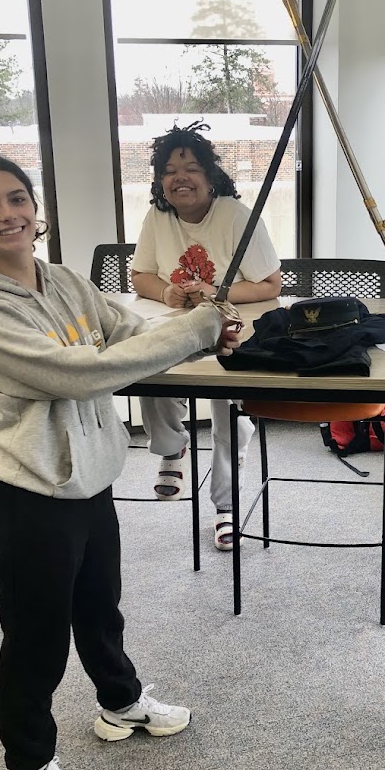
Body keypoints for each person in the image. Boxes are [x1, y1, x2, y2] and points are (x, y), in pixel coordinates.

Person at [0, 153, 241, 770]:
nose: (7, 214)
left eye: (16, 198)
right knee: (36, 637)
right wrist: (194, 330)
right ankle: (25, 764)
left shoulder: (62, 280)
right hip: (31, 494)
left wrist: (193, 324)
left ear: (34, 207)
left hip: (90, 479)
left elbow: (125, 330)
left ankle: (119, 702)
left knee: (99, 605)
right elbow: (85, 371)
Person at [129, 121, 282, 551]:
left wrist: (216, 293)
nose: (181, 177)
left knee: (227, 410)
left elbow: (271, 285)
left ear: (210, 175)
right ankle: (172, 449)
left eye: (192, 168)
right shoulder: (157, 217)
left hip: (232, 327)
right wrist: (166, 291)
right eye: (171, 170)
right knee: (147, 362)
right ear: (161, 181)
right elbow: (140, 275)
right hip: (176, 326)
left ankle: (226, 505)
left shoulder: (235, 215)